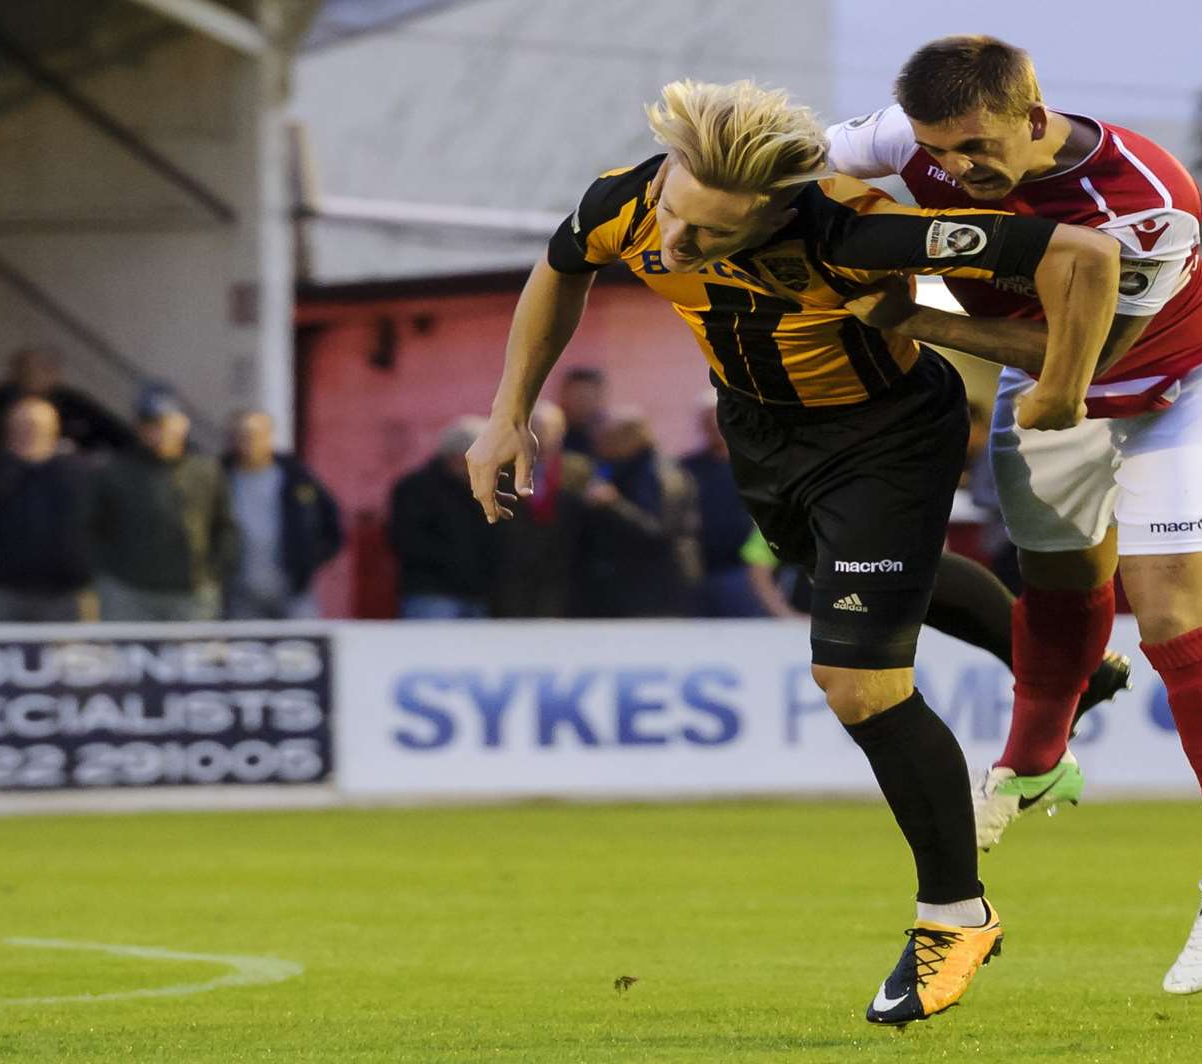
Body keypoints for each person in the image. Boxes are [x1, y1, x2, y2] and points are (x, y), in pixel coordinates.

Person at [462, 79, 1124, 1025]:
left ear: (777, 210)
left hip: (885, 435)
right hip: (762, 431)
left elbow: (1082, 251)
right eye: (677, 218)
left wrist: (1059, 386)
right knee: (862, 586)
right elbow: (561, 265)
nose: (677, 247)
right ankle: (1064, 667)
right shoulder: (632, 196)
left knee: (857, 682)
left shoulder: (855, 229)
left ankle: (955, 916)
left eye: (712, 236)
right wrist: (507, 416)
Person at [826, 35, 1202, 997]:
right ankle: (1034, 763)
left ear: (1033, 118)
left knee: (1171, 617)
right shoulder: (910, 140)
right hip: (1043, 381)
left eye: (974, 149)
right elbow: (802, 161)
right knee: (1058, 579)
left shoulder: (1146, 203)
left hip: (1176, 382)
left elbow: (1075, 360)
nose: (953, 172)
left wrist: (904, 313)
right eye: (937, 152)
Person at [88, 386, 234, 621]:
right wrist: (106, 575)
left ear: (183, 424)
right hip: (128, 591)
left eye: (165, 423)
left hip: (191, 592)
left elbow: (224, 527)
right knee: (129, 657)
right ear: (138, 428)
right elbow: (92, 528)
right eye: (150, 424)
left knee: (191, 657)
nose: (158, 432)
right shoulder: (113, 471)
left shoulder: (206, 471)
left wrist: (212, 574)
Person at [570, 410, 700, 618]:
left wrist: (613, 504)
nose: (600, 445)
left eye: (608, 438)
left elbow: (659, 530)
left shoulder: (661, 475)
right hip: (622, 586)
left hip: (657, 590)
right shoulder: (615, 467)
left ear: (632, 438)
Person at [0, 397, 92, 622]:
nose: (30, 433)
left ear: (54, 430)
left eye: (37, 427)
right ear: (9, 430)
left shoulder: (76, 472)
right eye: (22, 427)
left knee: (64, 657)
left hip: (62, 593)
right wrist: (13, 462)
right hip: (3, 591)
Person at [223, 410, 343, 620]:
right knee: (246, 650)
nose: (249, 442)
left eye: (256, 435)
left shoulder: (295, 476)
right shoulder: (220, 476)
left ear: (269, 437)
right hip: (240, 591)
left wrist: (309, 557)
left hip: (293, 589)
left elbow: (332, 520)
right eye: (243, 436)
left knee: (302, 648)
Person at [391, 416, 495, 619]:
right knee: (430, 650)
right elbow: (407, 540)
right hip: (431, 594)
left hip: (478, 594)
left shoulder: (486, 490)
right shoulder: (415, 489)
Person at [678, 403, 771, 616]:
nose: (714, 427)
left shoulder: (755, 464)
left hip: (743, 571)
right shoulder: (686, 467)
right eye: (708, 422)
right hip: (697, 570)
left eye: (719, 421)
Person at [491, 401, 576, 617]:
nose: (539, 436)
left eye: (546, 429)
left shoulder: (579, 470)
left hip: (562, 577)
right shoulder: (500, 472)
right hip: (511, 578)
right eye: (532, 429)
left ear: (561, 432)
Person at [0, 347, 134, 456]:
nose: (36, 375)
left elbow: (118, 436)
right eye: (29, 369)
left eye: (46, 369)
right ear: (15, 371)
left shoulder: (74, 404)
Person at [557, 367, 607, 454]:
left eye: (587, 397)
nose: (582, 403)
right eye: (577, 396)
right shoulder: (553, 434)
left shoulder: (608, 436)